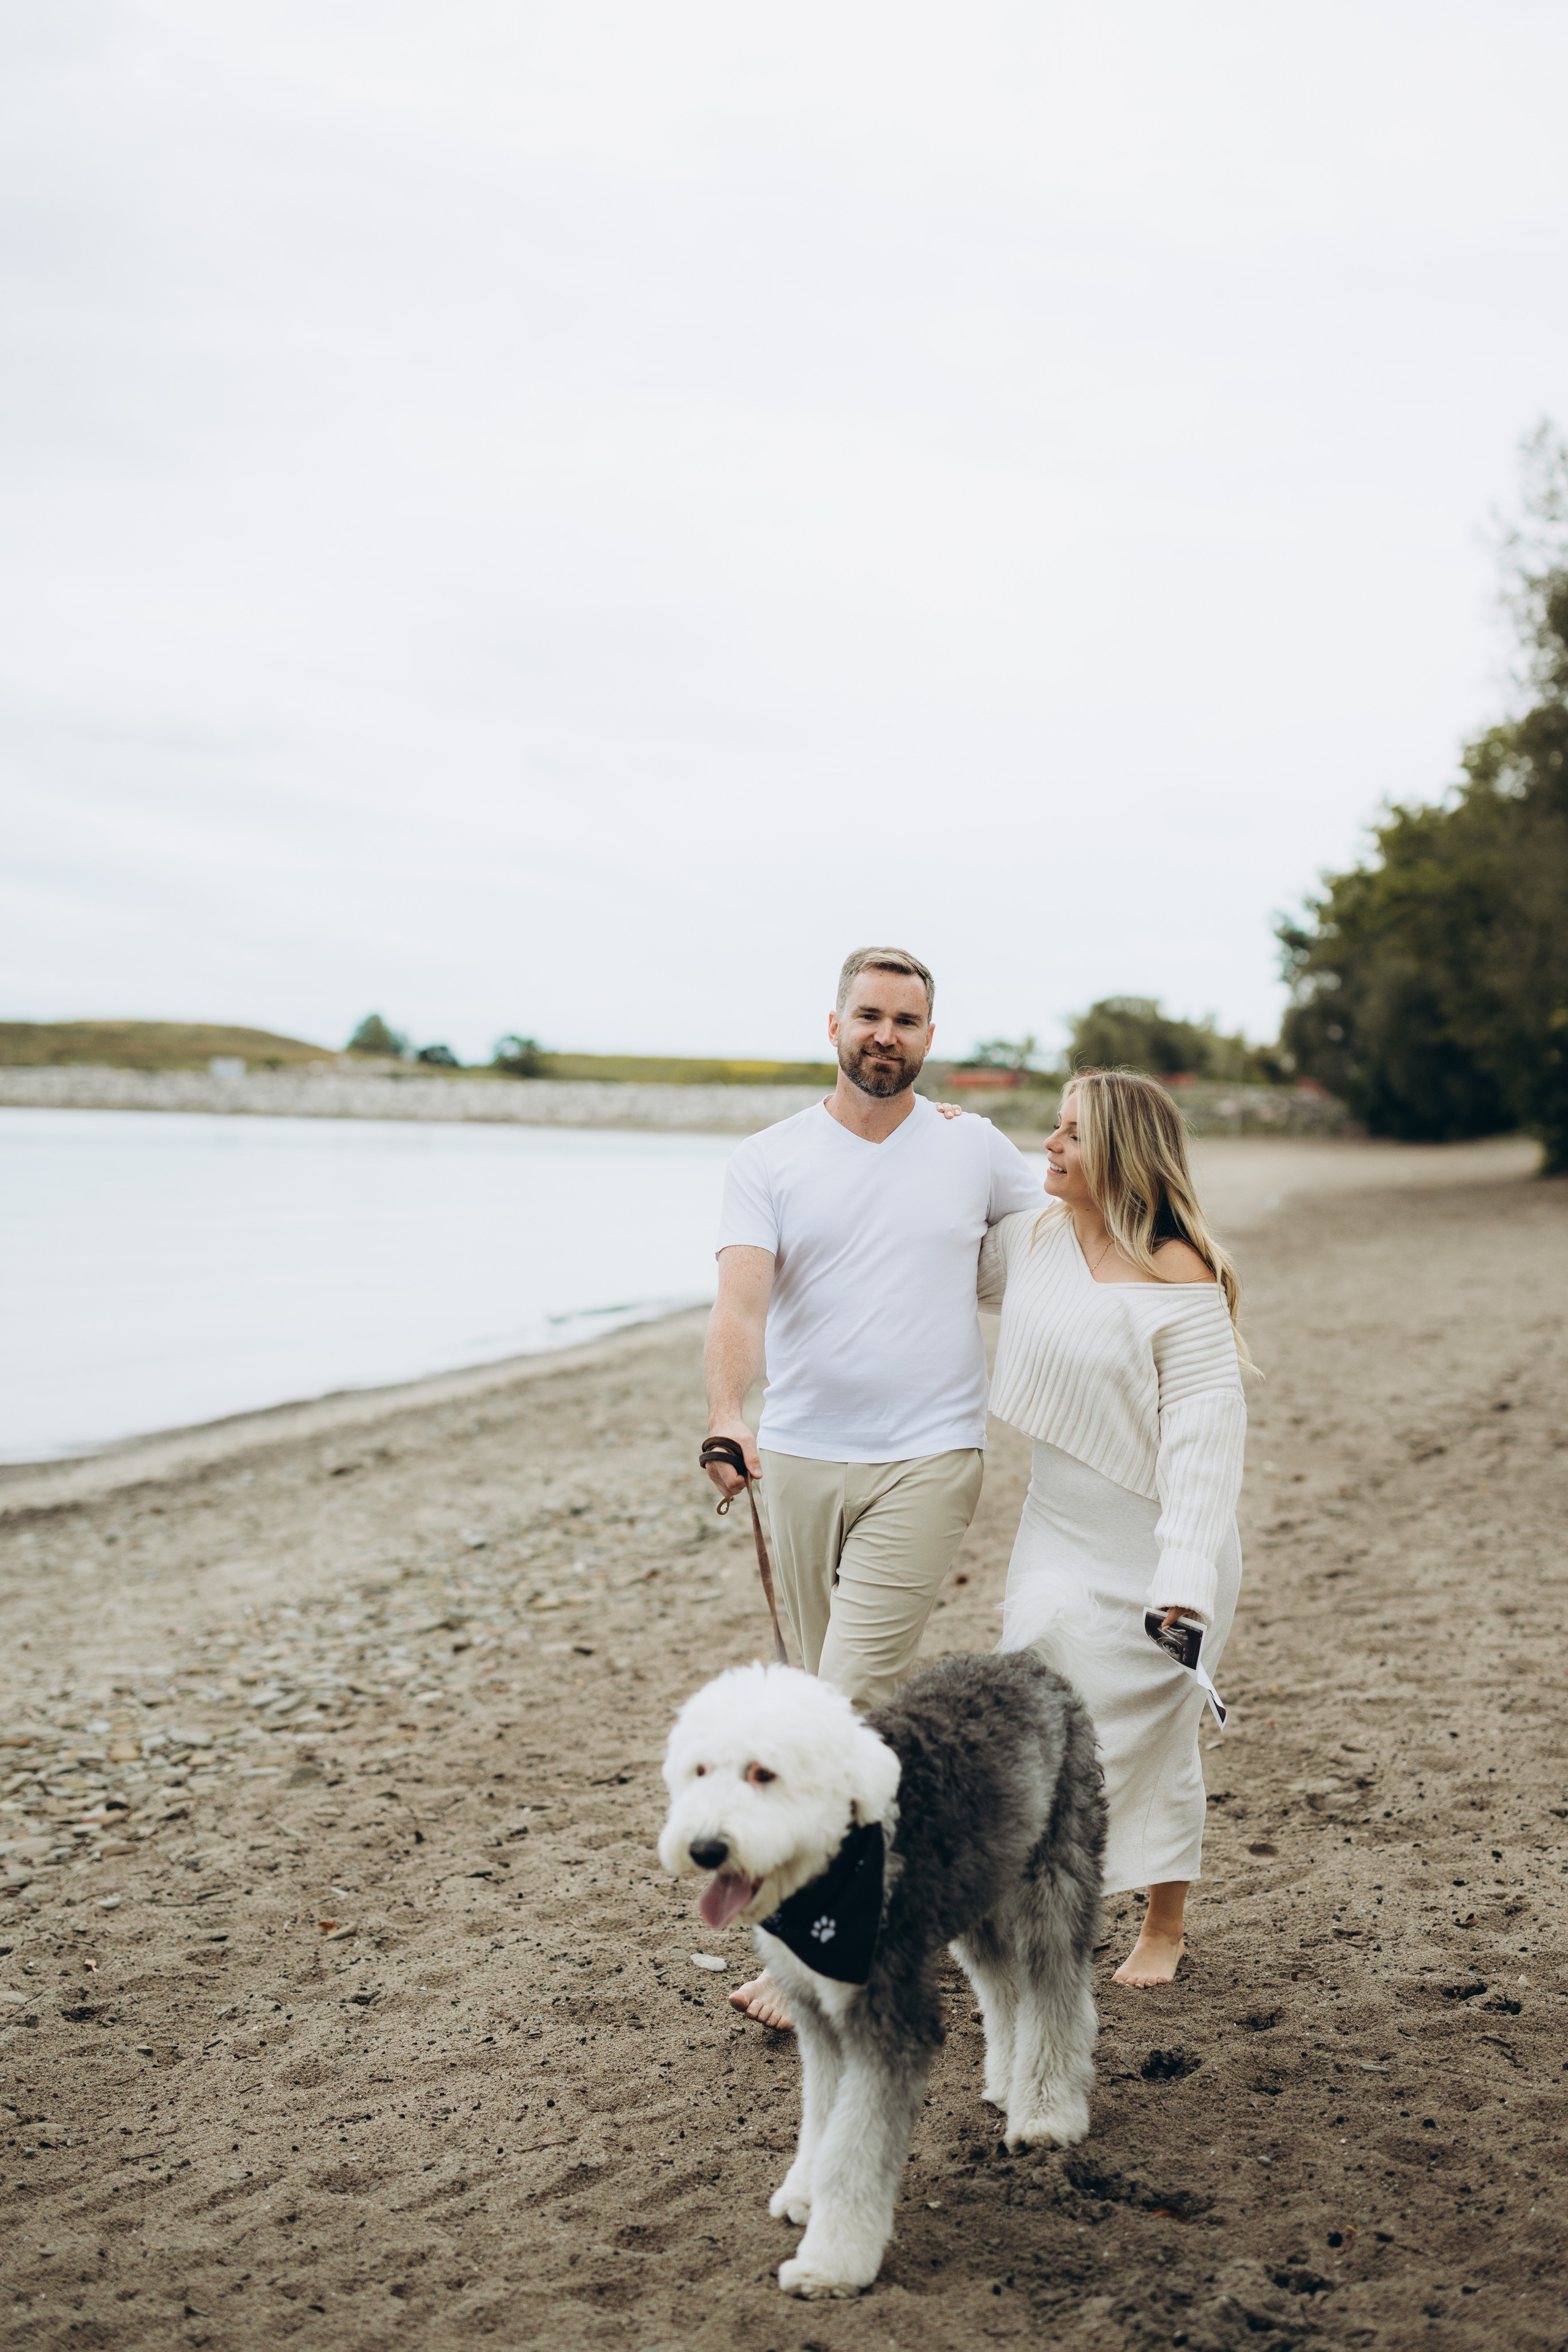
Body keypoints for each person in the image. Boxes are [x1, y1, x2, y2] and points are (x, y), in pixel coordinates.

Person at [703, 945, 1044, 2026]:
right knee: (822, 1704)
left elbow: (1070, 1229)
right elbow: (741, 1306)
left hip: (931, 1455)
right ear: (836, 1026)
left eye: (907, 1020)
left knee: (842, 1697)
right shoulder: (769, 1160)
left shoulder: (975, 1149)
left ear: (930, 1039)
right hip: (800, 1455)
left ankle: (810, 1949)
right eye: (869, 1016)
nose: (885, 1035)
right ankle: (900, 1891)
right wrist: (727, 1415)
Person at [978, 1068, 1250, 1989]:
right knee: (1029, 1691)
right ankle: (1029, 1897)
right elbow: (923, 1247)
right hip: (1054, 1528)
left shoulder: (1183, 1275)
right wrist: (925, 1133)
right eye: (1052, 1127)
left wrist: (1184, 1579)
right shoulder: (1034, 1238)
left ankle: (1163, 1926)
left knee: (1156, 1735)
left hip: (1161, 1542)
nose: (1049, 1146)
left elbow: (1206, 1442)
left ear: (1124, 1157)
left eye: (1072, 1134)